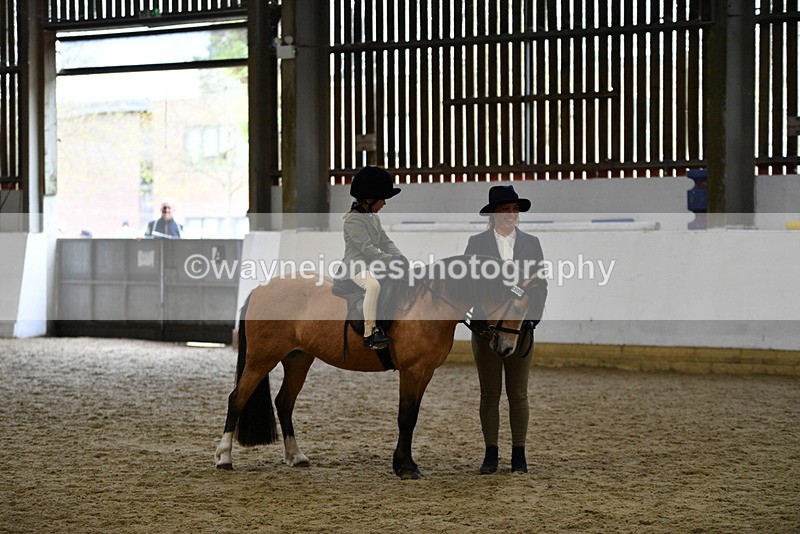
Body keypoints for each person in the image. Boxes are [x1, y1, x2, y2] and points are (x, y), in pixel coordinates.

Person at [463, 184, 548, 474]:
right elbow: (469, 283)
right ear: (494, 214)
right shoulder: (477, 243)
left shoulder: (531, 243)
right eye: (505, 210)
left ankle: (519, 454)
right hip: (486, 329)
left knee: (518, 393)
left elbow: (540, 285)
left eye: (514, 210)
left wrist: (532, 319)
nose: (511, 214)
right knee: (489, 394)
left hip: (519, 330)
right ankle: (491, 453)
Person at [340, 166, 404, 349]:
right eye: (382, 199)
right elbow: (367, 249)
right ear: (370, 199)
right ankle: (370, 333)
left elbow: (385, 241)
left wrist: (399, 256)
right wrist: (390, 261)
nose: (384, 203)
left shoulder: (373, 217)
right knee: (373, 286)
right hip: (356, 268)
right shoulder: (353, 220)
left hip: (374, 266)